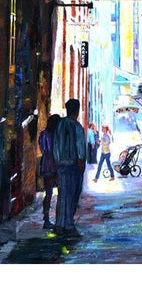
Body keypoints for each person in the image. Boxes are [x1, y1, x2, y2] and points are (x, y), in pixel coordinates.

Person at [53, 98, 86, 237]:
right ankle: (69, 225)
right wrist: (81, 166)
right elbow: (80, 149)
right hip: (73, 165)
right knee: (72, 195)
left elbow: (55, 147)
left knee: (62, 195)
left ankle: (59, 224)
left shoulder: (59, 125)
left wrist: (57, 163)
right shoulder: (77, 127)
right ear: (77, 111)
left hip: (61, 165)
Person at [38, 113, 61, 229]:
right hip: (54, 165)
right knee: (59, 192)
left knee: (49, 193)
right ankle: (56, 219)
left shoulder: (44, 134)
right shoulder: (57, 135)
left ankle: (47, 218)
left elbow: (44, 149)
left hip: (47, 165)